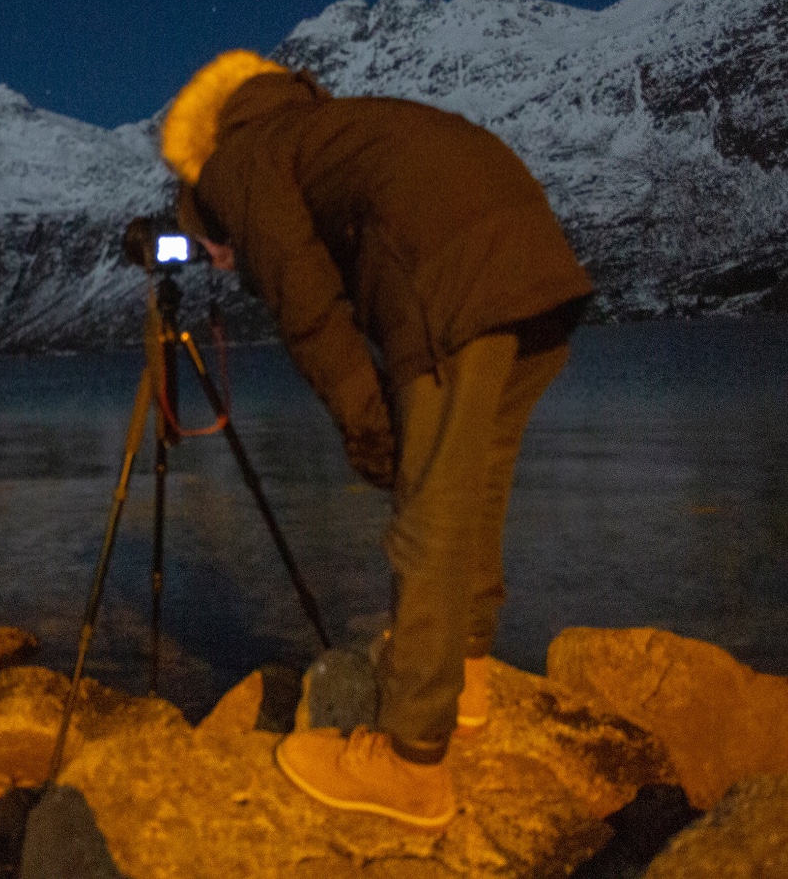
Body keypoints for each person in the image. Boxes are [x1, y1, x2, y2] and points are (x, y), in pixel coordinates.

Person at [160, 49, 592, 830]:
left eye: (219, 250)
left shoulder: (236, 164)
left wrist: (370, 428)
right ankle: (467, 671)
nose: (226, 264)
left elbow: (309, 306)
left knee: (424, 502)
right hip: (534, 252)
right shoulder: (326, 130)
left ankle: (411, 761)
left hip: (445, 269)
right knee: (474, 478)